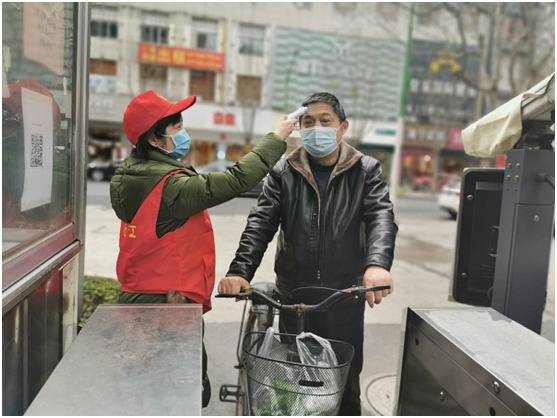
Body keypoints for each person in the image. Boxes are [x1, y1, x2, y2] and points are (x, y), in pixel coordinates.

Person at [109, 90, 296, 407]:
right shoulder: (169, 185)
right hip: (166, 307)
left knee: (154, 390)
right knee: (174, 395)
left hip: (147, 296)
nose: (183, 133)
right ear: (155, 140)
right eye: (176, 127)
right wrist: (278, 137)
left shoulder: (134, 174)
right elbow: (235, 180)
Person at [219, 92, 398, 415]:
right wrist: (239, 272)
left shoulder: (366, 170)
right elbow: (261, 222)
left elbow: (381, 218)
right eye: (308, 122)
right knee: (293, 381)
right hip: (293, 296)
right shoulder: (283, 172)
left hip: (344, 296)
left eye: (325, 121)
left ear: (342, 127)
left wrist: (377, 265)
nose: (316, 128)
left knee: (344, 385)